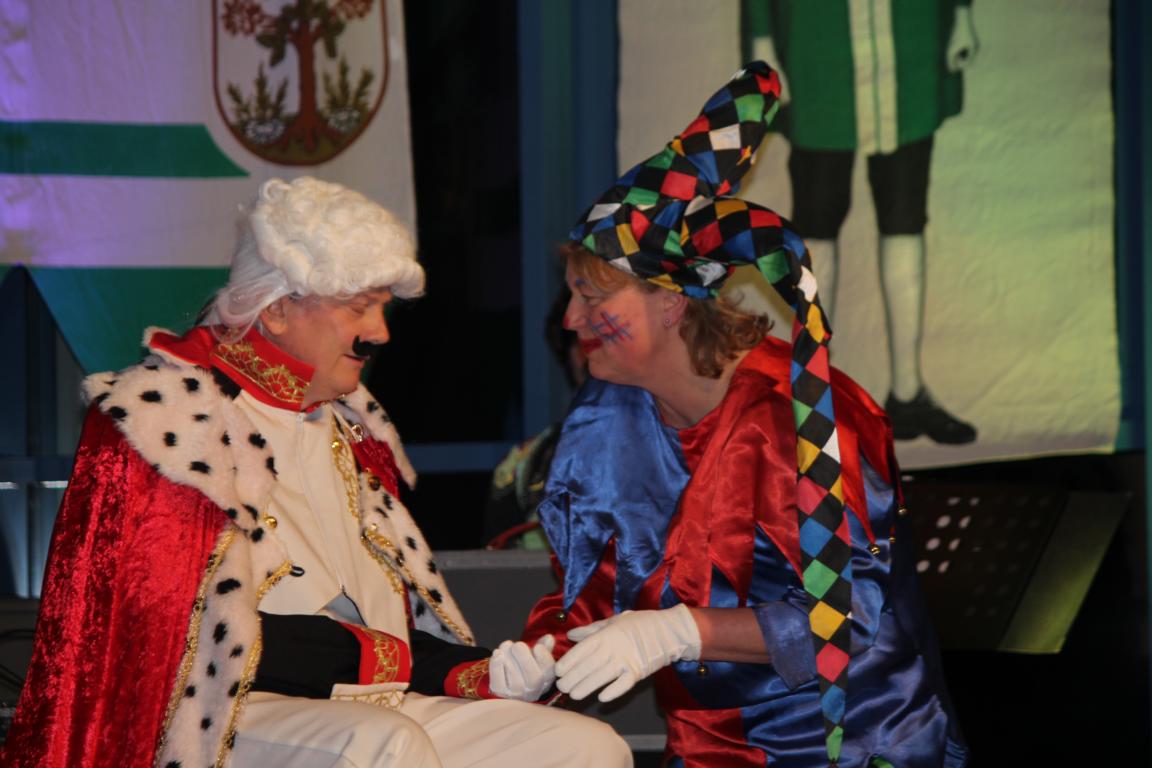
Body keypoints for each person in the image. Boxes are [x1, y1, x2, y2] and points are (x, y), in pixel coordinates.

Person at [1, 177, 630, 768]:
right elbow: (160, 630)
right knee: (385, 743)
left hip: (369, 698)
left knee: (582, 747)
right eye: (359, 307)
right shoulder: (165, 416)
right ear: (277, 310)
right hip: (218, 711)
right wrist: (370, 656)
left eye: (383, 308)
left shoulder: (354, 425)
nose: (379, 333)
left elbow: (387, 631)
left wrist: (479, 672)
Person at [519, 63, 968, 767]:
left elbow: (847, 616)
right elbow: (591, 591)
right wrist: (539, 653)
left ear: (671, 302)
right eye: (572, 294)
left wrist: (681, 632)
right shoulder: (607, 418)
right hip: (706, 750)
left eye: (593, 297)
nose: (571, 319)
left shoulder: (802, 416)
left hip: (849, 745)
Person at [743, 0, 980, 444]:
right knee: (818, 216)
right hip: (819, 45)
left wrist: (961, 12)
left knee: (905, 213)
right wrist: (763, 39)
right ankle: (812, 396)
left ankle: (908, 392)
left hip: (909, 39)